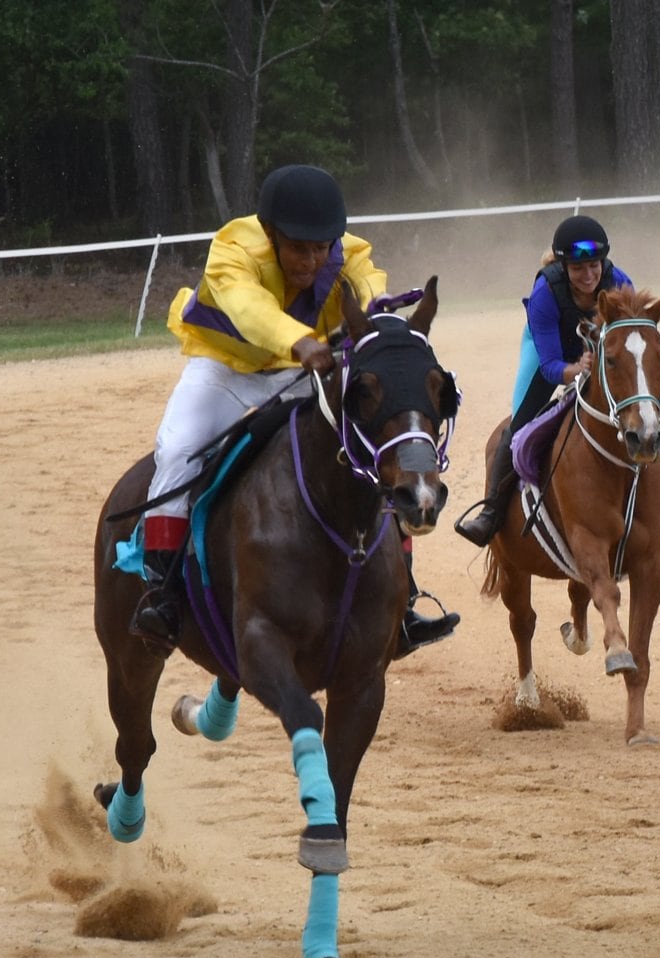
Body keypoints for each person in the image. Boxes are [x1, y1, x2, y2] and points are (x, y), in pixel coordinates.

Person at [131, 163, 460, 658]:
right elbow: (247, 308)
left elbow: (372, 295)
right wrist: (300, 342)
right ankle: (163, 595)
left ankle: (403, 599)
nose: (311, 261)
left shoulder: (345, 255)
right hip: (224, 370)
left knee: (370, 455)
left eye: (320, 248)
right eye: (298, 248)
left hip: (300, 373)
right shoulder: (234, 248)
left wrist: (388, 327)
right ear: (270, 234)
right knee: (177, 450)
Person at [454, 214, 660, 546]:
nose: (588, 275)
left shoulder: (620, 282)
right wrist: (575, 369)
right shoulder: (545, 293)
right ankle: (491, 513)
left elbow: (635, 338)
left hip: (604, 352)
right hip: (551, 353)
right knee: (518, 426)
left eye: (594, 266)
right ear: (563, 267)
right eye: (577, 268)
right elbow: (548, 366)